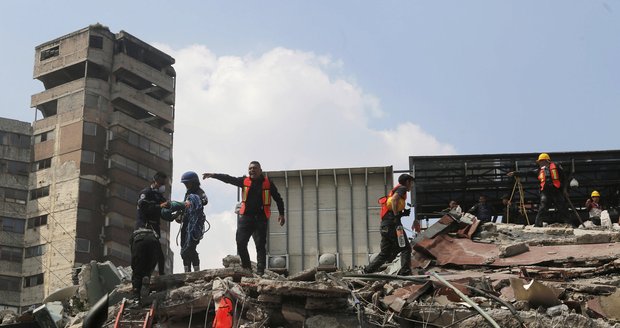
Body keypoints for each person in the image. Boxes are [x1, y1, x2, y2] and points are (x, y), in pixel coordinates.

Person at [203, 161, 285, 276]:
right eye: (250, 168)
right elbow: (228, 179)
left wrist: (281, 214)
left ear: (260, 170)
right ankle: (247, 267)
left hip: (261, 218)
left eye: (255, 168)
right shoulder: (244, 181)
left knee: (260, 245)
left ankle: (260, 271)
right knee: (240, 242)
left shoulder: (268, 183)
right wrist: (214, 175)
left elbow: (278, 199)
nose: (252, 170)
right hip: (246, 217)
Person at [132, 172, 172, 300]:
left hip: (154, 234)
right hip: (143, 229)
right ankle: (136, 294)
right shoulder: (146, 193)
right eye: (161, 183)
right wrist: (159, 206)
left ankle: (158, 281)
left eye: (164, 184)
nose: (162, 186)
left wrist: (177, 213)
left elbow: (167, 209)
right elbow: (144, 206)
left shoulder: (159, 196)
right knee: (139, 263)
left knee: (159, 258)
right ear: (155, 180)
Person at [365, 173, 414, 276]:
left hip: (385, 225)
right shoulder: (402, 188)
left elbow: (390, 209)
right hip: (394, 225)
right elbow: (395, 199)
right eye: (411, 183)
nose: (412, 186)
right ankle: (405, 271)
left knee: (385, 253)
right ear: (407, 182)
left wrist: (401, 214)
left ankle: (367, 270)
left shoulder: (393, 191)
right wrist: (397, 216)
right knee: (405, 248)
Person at [508, 153, 574, 227]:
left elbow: (564, 178)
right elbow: (527, 173)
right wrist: (515, 173)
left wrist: (565, 190)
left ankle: (569, 224)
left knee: (562, 207)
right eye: (539, 162)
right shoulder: (538, 171)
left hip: (556, 191)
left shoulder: (556, 166)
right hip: (545, 192)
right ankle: (538, 224)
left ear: (547, 161)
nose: (540, 163)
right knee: (543, 208)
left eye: (541, 161)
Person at [176, 171, 208, 272]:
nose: (186, 185)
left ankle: (196, 269)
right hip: (186, 223)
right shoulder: (188, 193)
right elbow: (184, 206)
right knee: (183, 247)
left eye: (187, 183)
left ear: (194, 182)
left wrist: (194, 201)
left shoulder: (199, 191)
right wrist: (179, 215)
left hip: (195, 225)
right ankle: (187, 270)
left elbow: (204, 201)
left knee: (190, 247)